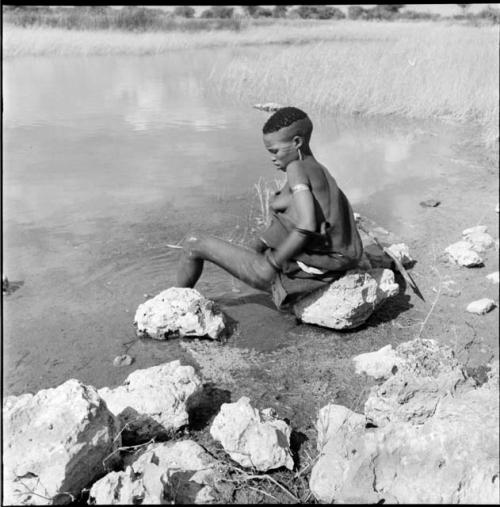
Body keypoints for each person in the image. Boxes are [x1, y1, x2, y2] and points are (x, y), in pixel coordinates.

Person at [176, 106, 363, 309]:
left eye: (275, 151)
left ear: (297, 142)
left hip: (309, 275)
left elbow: (307, 224)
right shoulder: (318, 170)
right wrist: (259, 243)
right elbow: (302, 215)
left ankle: (173, 304)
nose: (272, 158)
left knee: (193, 243)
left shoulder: (296, 169)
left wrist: (272, 264)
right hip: (332, 265)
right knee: (246, 250)